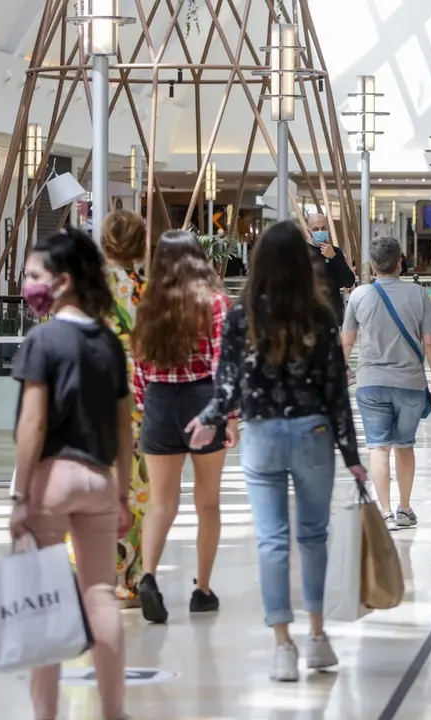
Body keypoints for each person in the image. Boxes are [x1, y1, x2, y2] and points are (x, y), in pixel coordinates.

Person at [187, 220, 364, 681]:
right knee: (312, 537)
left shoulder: (242, 316)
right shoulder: (321, 316)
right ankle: (318, 637)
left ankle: (282, 645)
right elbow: (335, 392)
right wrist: (352, 455)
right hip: (313, 433)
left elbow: (228, 384)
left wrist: (209, 419)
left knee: (271, 541)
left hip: (262, 435)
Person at [9, 228, 132, 720]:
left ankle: (45, 714)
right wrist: (122, 493)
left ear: (61, 282)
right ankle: (114, 710)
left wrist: (19, 494)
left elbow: (32, 423)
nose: (28, 283)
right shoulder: (108, 340)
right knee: (100, 592)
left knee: (43, 600)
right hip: (100, 479)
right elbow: (125, 428)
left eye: (34, 275)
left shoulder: (42, 340)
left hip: (51, 481)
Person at [131, 231, 237, 624]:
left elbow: (139, 365)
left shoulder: (150, 305)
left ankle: (148, 577)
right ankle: (203, 591)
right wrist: (228, 415)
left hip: (159, 401)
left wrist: (147, 407)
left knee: (162, 503)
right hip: (203, 400)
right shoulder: (215, 303)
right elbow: (222, 363)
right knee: (206, 502)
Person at [341, 236, 431, 528]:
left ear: (372, 266)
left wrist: (337, 372)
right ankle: (405, 508)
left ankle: (384, 511)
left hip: (371, 383)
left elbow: (346, 341)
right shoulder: (418, 294)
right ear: (400, 262)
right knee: (404, 446)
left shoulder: (359, 296)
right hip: (410, 383)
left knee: (378, 448)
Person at [100, 209, 150, 606]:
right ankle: (130, 579)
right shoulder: (148, 292)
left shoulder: (84, 292)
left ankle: (89, 572)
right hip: (140, 400)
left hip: (93, 395)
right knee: (136, 490)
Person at [306, 213, 356, 323]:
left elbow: (349, 281)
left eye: (323, 228)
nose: (320, 231)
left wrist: (333, 257)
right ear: (309, 232)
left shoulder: (335, 252)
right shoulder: (302, 253)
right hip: (310, 316)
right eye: (315, 229)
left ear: (328, 228)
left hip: (333, 315)